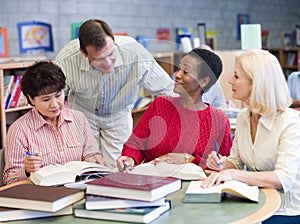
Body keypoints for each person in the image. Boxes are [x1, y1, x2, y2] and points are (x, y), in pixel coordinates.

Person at [54, 19, 176, 168]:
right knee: (87, 165)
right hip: (83, 113)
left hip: (118, 113)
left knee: (118, 166)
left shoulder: (135, 54)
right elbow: (52, 95)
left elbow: (168, 89)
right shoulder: (67, 60)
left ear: (113, 40)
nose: (107, 62)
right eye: (98, 59)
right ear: (84, 53)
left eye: (111, 54)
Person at [202, 49, 300, 223]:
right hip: (256, 201)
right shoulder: (243, 117)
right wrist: (222, 165)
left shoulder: (289, 121)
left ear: (256, 84)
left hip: (287, 211)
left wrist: (233, 174)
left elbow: (283, 178)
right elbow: (236, 161)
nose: (230, 81)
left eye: (236, 77)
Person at [116, 48, 232, 172]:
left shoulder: (219, 120)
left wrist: (190, 159)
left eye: (185, 72)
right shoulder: (160, 105)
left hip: (194, 187)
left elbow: (224, 165)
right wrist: (130, 158)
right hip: (153, 184)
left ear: (203, 81)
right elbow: (136, 144)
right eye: (178, 69)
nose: (177, 75)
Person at [3, 61, 106, 185]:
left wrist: (94, 160)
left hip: (78, 189)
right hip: (43, 196)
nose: (54, 105)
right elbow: (9, 179)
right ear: (31, 99)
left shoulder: (79, 119)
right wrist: (26, 170)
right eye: (46, 99)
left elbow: (92, 154)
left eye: (58, 95)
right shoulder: (19, 130)